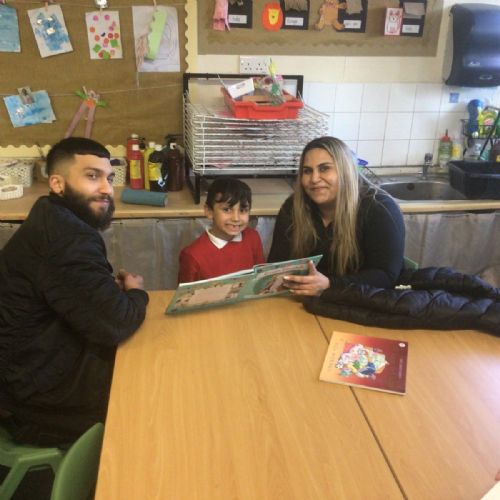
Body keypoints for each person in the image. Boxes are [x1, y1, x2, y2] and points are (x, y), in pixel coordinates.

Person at [0, 137, 149, 448]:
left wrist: (107, 294)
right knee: (150, 391)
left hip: (29, 372)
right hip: (37, 400)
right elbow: (116, 323)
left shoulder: (51, 215)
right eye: (92, 176)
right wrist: (136, 292)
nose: (107, 189)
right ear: (57, 183)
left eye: (109, 178)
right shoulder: (66, 238)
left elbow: (80, 295)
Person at [267, 136, 405, 296]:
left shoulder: (380, 208)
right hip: (302, 300)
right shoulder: (293, 207)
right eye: (307, 171)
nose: (314, 179)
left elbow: (386, 275)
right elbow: (276, 264)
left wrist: (329, 285)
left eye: (324, 168)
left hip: (362, 302)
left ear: (345, 171)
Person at [178, 177, 265, 283]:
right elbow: (186, 293)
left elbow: (261, 280)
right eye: (227, 209)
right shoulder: (192, 256)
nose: (236, 218)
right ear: (209, 211)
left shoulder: (253, 237)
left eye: (243, 210)